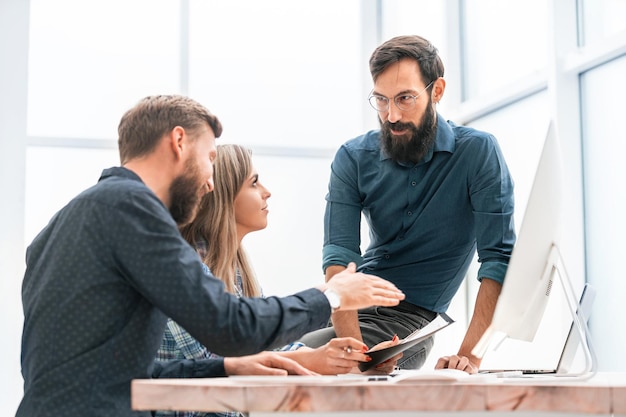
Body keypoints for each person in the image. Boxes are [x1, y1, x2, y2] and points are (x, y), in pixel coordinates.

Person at [17, 95, 406, 417]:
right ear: (179, 141)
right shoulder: (133, 207)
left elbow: (116, 375)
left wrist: (224, 368)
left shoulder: (61, 226)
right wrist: (332, 295)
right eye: (210, 158)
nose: (209, 180)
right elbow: (230, 326)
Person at [299, 35, 515, 374]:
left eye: (405, 98)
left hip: (405, 322)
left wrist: (469, 358)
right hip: (342, 309)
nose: (392, 115)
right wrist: (358, 355)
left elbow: (499, 260)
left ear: (437, 91)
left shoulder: (477, 153)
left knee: (283, 366)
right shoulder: (353, 157)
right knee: (259, 354)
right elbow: (339, 259)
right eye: (381, 101)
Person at [155, 144, 375, 417]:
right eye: (254, 183)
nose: (266, 191)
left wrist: (344, 357)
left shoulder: (237, 270)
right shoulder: (185, 270)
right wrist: (311, 357)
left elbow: (266, 344)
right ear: (224, 196)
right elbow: (217, 364)